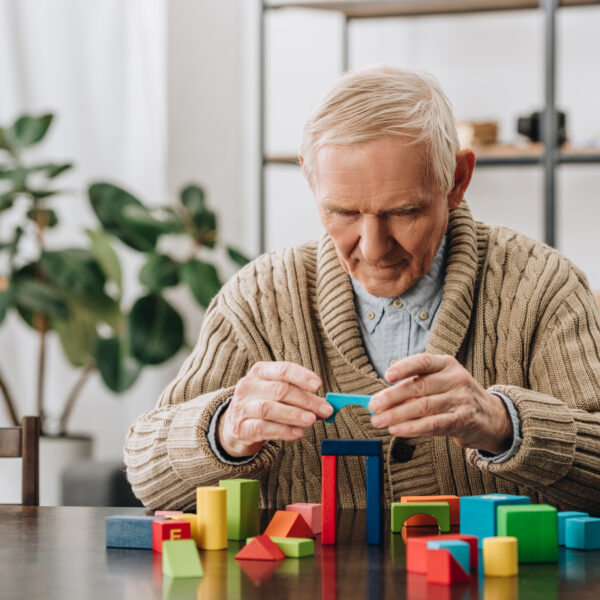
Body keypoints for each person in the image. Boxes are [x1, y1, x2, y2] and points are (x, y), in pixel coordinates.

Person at [125, 66, 600, 514]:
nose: (373, 249)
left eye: (404, 212)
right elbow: (147, 476)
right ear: (311, 181)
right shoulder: (256, 299)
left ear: (457, 180)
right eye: (343, 212)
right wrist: (223, 431)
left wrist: (503, 425)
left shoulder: (544, 288)